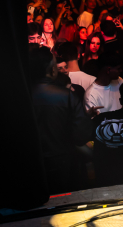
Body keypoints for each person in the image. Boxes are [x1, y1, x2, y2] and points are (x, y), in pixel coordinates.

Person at [28, 46, 91, 194]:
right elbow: (81, 136)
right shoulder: (67, 96)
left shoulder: (22, 95)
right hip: (63, 163)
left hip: (31, 164)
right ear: (52, 70)